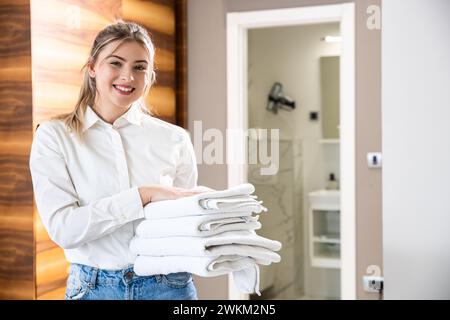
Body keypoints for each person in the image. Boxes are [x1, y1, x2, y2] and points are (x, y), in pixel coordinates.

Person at [29, 20, 201, 300]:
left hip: (168, 287)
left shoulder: (175, 139)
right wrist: (141, 197)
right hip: (93, 289)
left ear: (149, 75)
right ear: (93, 67)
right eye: (116, 63)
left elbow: (180, 223)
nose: (128, 77)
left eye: (139, 67)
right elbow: (64, 229)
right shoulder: (54, 137)